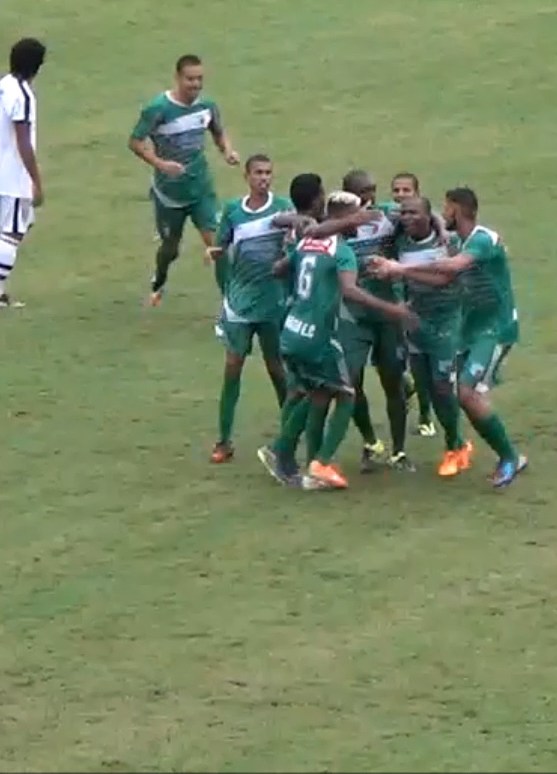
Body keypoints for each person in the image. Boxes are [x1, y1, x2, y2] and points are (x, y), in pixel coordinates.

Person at [259, 184, 415, 491]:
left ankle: (281, 453)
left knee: (315, 392)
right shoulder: (342, 252)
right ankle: (321, 463)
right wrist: (394, 310)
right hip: (318, 336)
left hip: (292, 330)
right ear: (347, 218)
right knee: (345, 394)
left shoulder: (307, 242)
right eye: (357, 216)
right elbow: (350, 290)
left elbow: (278, 270)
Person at [369, 187, 527, 488]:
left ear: (457, 208)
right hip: (471, 329)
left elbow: (453, 266)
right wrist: (398, 273)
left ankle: (510, 457)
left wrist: (400, 266)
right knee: (461, 394)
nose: (442, 214)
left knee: (466, 394)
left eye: (446, 208)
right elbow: (443, 278)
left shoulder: (481, 239)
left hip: (495, 330)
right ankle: (479, 449)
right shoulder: (462, 242)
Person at [128, 55, 240, 307]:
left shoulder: (206, 106)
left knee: (218, 246)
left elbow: (218, 131)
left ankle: (231, 302)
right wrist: (161, 164)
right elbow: (135, 142)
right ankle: (159, 279)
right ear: (178, 78)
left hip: (201, 189)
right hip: (170, 195)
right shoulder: (158, 109)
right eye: (190, 79)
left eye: (199, 79)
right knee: (170, 248)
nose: (195, 84)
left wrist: (227, 151)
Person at [204, 154, 293, 462]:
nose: (263, 178)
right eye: (258, 173)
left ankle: (289, 434)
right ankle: (223, 440)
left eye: (268, 173)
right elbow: (221, 247)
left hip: (272, 302)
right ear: (247, 176)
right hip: (240, 302)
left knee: (277, 368)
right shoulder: (233, 210)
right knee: (233, 366)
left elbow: (294, 246)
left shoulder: (283, 208)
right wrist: (215, 256)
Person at [337, 169, 411, 471]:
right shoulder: (337, 226)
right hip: (353, 316)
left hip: (387, 314)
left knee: (392, 381)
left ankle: (399, 450)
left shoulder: (388, 217)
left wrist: (441, 230)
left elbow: (421, 212)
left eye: (372, 190)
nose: (369, 197)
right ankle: (371, 442)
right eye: (362, 192)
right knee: (350, 382)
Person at [392, 194, 470, 468]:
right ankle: (454, 441)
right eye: (404, 213)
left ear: (428, 215)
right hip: (416, 322)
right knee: (425, 385)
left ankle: (454, 444)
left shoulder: (448, 242)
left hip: (446, 321)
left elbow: (447, 278)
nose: (407, 217)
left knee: (442, 385)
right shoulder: (399, 241)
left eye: (413, 212)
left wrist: (402, 271)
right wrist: (401, 304)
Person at [0, 39, 47, 307]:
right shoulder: (23, 96)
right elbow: (23, 142)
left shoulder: (3, 85)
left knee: (21, 223)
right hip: (14, 174)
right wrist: (36, 180)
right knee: (13, 232)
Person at [389, 172, 436, 437]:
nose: (400, 195)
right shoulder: (391, 219)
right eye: (396, 190)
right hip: (395, 302)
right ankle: (407, 389)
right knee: (395, 360)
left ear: (417, 193)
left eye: (406, 190)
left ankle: (425, 415)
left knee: (421, 362)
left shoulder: (429, 223)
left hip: (422, 305)